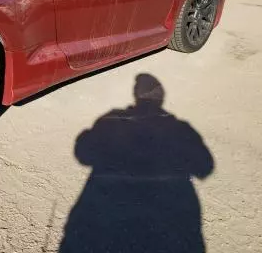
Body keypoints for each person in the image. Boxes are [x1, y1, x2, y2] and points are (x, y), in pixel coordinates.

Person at [60, 73, 214, 253]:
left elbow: (83, 153)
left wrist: (88, 134)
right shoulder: (180, 129)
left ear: (136, 95)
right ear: (161, 99)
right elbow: (205, 167)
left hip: (109, 217)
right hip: (164, 223)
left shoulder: (113, 120)